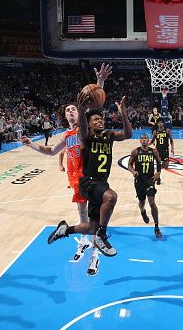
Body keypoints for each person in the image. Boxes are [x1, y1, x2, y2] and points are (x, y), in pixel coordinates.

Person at [22, 64, 112, 276]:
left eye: (74, 108)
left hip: (90, 175)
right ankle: (83, 241)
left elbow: (93, 102)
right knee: (81, 212)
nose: (72, 110)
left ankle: (95, 256)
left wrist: (100, 82)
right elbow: (51, 151)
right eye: (69, 109)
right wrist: (30, 144)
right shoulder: (65, 135)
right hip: (75, 177)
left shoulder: (85, 127)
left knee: (95, 217)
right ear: (65, 115)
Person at [48, 90, 133, 257]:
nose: (100, 121)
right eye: (95, 119)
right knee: (111, 197)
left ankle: (65, 230)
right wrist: (80, 107)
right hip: (87, 182)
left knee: (92, 226)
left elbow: (128, 134)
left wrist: (123, 114)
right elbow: (82, 126)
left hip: (100, 182)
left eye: (101, 119)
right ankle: (101, 237)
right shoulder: (86, 137)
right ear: (89, 124)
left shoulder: (109, 135)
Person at [128, 134, 163, 239]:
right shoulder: (135, 151)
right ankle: (143, 211)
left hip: (150, 179)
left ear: (148, 140)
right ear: (140, 141)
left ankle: (156, 228)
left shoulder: (153, 151)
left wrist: (158, 172)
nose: (144, 140)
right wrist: (133, 171)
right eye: (142, 138)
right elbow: (129, 164)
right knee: (142, 202)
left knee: (152, 203)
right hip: (139, 180)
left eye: (145, 139)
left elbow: (159, 162)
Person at [150, 118, 174, 184]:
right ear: (157, 124)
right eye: (159, 122)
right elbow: (152, 140)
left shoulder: (167, 131)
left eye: (161, 122)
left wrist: (172, 148)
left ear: (163, 123)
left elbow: (171, 140)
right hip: (158, 150)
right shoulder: (155, 132)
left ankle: (161, 167)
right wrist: (147, 145)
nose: (160, 123)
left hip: (166, 150)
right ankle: (158, 178)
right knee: (158, 165)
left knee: (166, 167)